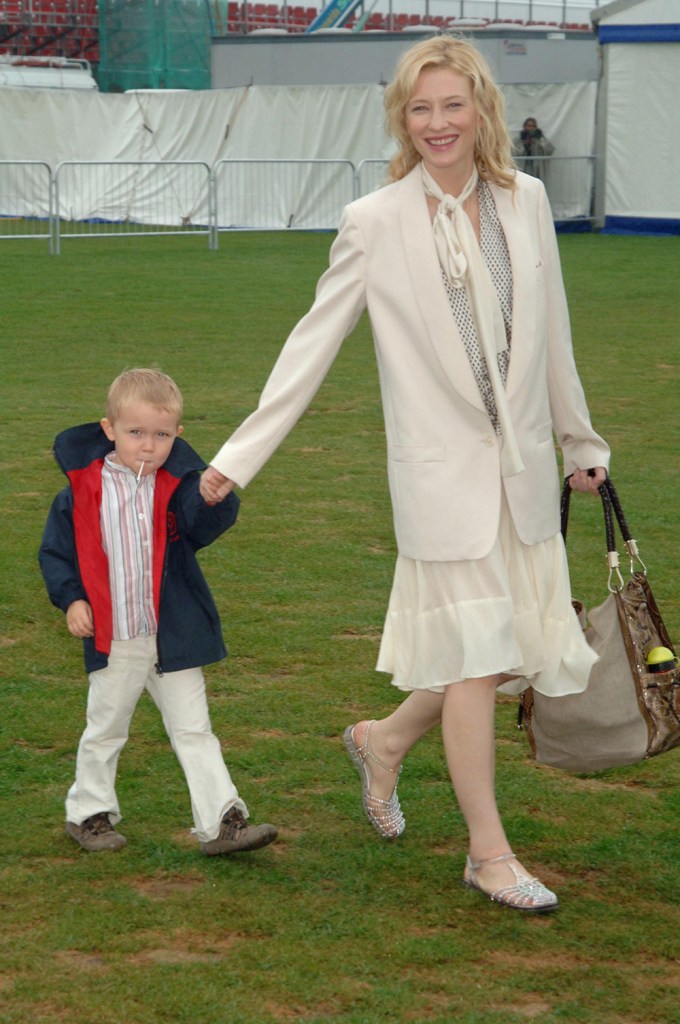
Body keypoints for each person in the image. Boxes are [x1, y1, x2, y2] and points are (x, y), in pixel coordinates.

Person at [200, 35, 609, 913]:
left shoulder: (526, 200)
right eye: (419, 109)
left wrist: (581, 444)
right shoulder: (374, 221)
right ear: (402, 118)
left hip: (524, 476)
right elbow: (309, 345)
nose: (437, 123)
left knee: (512, 654)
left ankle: (383, 742)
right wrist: (238, 458)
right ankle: (488, 854)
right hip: (440, 485)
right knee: (474, 662)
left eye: (451, 105)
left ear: (481, 110)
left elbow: (554, 336)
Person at [38, 368, 278, 857]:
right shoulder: (81, 491)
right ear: (109, 428)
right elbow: (56, 554)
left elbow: (201, 525)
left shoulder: (177, 487)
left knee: (194, 729)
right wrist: (73, 599)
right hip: (115, 636)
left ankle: (221, 823)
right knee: (106, 728)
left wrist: (214, 497)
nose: (148, 446)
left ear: (177, 435)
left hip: (173, 636)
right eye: (135, 433)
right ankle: (89, 814)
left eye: (161, 435)